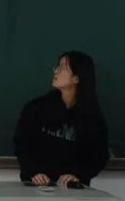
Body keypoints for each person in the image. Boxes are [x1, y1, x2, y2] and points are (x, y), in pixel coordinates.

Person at [13, 52, 110, 187]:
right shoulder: (36, 108)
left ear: (76, 78)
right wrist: (33, 172)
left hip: (72, 189)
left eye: (62, 68)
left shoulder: (92, 117)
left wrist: (78, 175)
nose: (56, 71)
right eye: (57, 66)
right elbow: (22, 144)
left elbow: (99, 156)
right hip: (36, 185)